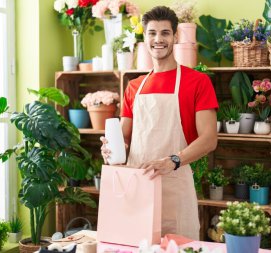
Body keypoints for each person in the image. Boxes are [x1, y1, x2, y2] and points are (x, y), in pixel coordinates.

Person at [101, 6, 218, 240]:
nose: (158, 39)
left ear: (175, 37)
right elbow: (125, 137)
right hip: (137, 186)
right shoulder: (134, 86)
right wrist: (110, 147)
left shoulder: (197, 82)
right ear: (144, 38)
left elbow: (209, 139)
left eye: (165, 33)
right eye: (152, 33)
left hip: (175, 186)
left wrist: (173, 161)